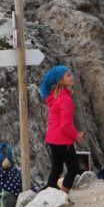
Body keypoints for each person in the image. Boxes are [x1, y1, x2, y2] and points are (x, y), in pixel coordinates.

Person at [41, 65, 83, 193]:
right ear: (61, 80)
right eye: (68, 75)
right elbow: (65, 125)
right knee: (73, 167)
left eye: (71, 74)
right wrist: (76, 136)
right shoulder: (65, 99)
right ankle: (63, 195)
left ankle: (49, 191)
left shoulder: (54, 94)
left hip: (52, 138)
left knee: (57, 168)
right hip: (63, 140)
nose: (72, 77)